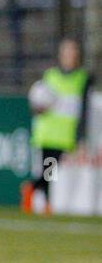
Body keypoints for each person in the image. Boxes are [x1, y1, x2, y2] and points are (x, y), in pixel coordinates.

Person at [24, 38, 92, 214]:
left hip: (64, 133)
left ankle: (35, 191)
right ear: (61, 54)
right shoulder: (50, 76)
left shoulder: (82, 78)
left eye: (73, 51)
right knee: (50, 169)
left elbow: (83, 109)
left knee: (50, 170)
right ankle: (42, 199)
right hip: (47, 132)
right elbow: (38, 102)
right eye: (67, 51)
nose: (70, 55)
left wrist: (80, 136)